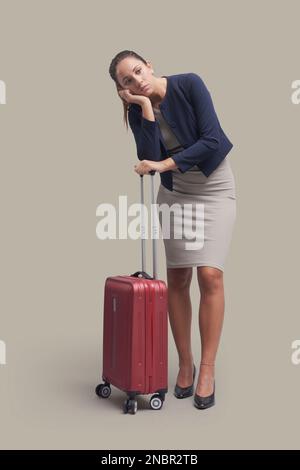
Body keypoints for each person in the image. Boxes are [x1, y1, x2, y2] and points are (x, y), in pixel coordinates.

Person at [109, 50, 237, 409]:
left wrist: (164, 162)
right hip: (175, 194)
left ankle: (207, 369)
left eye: (138, 71)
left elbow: (212, 140)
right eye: (127, 82)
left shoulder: (189, 84)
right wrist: (144, 107)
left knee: (210, 276)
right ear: (123, 90)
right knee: (177, 280)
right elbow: (148, 160)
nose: (137, 81)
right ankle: (184, 363)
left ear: (149, 64)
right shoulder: (138, 111)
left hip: (214, 189)